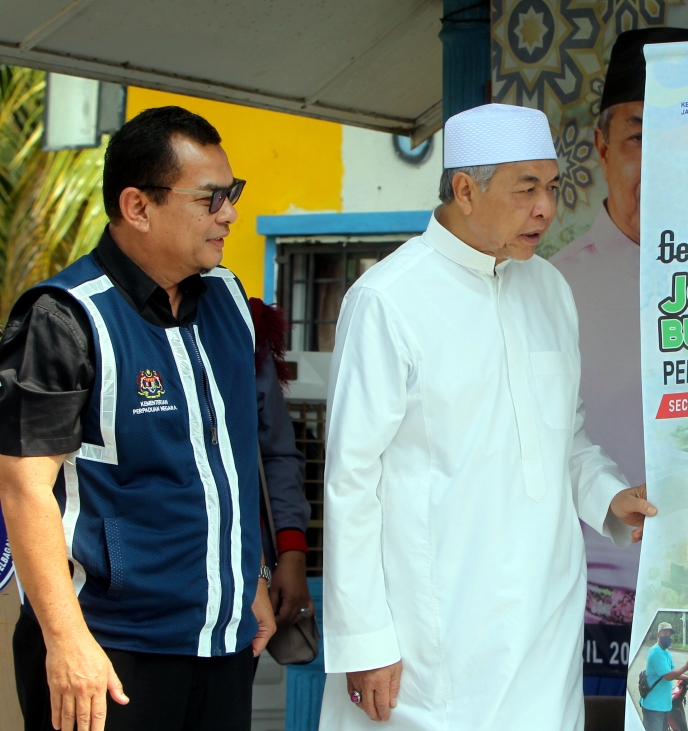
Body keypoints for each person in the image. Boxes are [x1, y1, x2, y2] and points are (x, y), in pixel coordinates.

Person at [317, 103, 654, 730]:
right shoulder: (388, 300)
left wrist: (609, 496)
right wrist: (365, 640)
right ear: (465, 190)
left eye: (552, 187)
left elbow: (564, 435)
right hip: (434, 635)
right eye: (526, 189)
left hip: (543, 629)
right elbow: (351, 481)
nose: (546, 209)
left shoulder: (550, 289)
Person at [0, 106, 275, 731]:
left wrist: (245, 577)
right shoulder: (64, 318)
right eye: (211, 198)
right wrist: (66, 642)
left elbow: (228, 461)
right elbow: (22, 486)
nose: (229, 213)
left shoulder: (228, 299)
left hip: (223, 646)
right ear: (138, 207)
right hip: (109, 654)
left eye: (232, 194)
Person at [548, 28, 688, 670]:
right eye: (642, 138)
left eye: (683, 138)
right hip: (589, 604)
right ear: (603, 147)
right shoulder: (555, 285)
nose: (661, 163)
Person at [249, 298, 312, 627]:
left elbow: (274, 452)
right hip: (135, 586)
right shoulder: (90, 312)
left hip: (246, 580)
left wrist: (291, 552)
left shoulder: (241, 322)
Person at [640, 622, 688, 731]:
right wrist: (686, 667)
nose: (668, 637)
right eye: (665, 633)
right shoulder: (656, 652)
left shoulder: (666, 652)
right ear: (658, 634)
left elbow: (674, 673)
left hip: (665, 705)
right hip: (653, 707)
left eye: (669, 635)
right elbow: (668, 676)